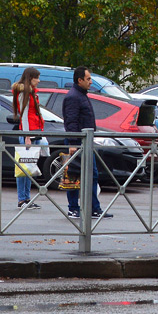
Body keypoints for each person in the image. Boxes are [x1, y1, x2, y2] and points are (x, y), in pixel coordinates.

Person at [62, 65, 111, 220]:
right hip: (78, 142)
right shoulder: (73, 97)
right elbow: (71, 121)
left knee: (92, 175)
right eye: (88, 79)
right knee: (74, 175)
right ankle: (73, 208)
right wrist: (72, 143)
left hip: (86, 141)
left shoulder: (81, 94)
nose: (91, 82)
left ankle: (93, 208)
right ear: (80, 80)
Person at [11, 67, 44, 209]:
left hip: (33, 131)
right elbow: (23, 114)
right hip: (28, 132)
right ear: (30, 78)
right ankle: (22, 199)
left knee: (29, 166)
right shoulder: (24, 92)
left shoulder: (30, 92)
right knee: (24, 167)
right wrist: (27, 136)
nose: (39, 80)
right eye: (36, 77)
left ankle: (27, 199)